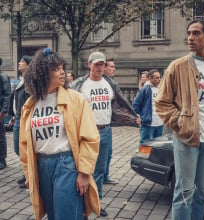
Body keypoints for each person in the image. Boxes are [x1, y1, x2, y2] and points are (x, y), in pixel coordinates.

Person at [19, 48, 100, 220]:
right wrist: (29, 174)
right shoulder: (30, 104)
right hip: (41, 165)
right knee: (53, 215)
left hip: (66, 164)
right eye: (56, 69)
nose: (62, 72)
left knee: (67, 215)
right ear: (42, 73)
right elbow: (25, 144)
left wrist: (84, 172)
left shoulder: (75, 99)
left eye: (62, 67)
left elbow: (90, 137)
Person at [155, 20, 204, 220]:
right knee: (185, 193)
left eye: (196, 33)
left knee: (202, 192)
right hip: (187, 139)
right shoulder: (178, 66)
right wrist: (180, 123)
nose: (191, 38)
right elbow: (161, 103)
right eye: (189, 33)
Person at [72, 51, 138, 217]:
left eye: (102, 64)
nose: (99, 68)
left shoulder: (110, 84)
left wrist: (132, 117)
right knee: (83, 169)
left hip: (105, 131)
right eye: (96, 64)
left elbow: (119, 105)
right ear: (90, 65)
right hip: (86, 133)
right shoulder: (80, 84)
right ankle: (81, 202)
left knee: (100, 170)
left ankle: (96, 203)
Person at [8, 55, 32, 188]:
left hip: (24, 119)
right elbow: (17, 100)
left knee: (23, 149)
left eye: (22, 61)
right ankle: (27, 172)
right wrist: (13, 115)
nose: (19, 63)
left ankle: (30, 175)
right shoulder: (22, 80)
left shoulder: (30, 80)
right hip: (17, 118)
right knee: (19, 149)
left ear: (29, 65)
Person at [132, 69, 163, 147]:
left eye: (159, 77)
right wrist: (139, 117)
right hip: (148, 123)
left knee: (158, 145)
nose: (159, 79)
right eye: (156, 78)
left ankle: (155, 159)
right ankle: (142, 158)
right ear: (150, 78)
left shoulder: (161, 89)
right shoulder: (145, 89)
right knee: (145, 143)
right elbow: (135, 105)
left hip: (160, 123)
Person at [103, 58, 118, 185]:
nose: (114, 69)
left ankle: (105, 176)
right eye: (111, 66)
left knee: (108, 152)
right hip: (95, 126)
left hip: (107, 125)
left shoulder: (111, 83)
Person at [0, 57, 11, 170]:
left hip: (0, 111)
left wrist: (3, 112)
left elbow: (7, 95)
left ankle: (2, 160)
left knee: (1, 136)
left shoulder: (3, 77)